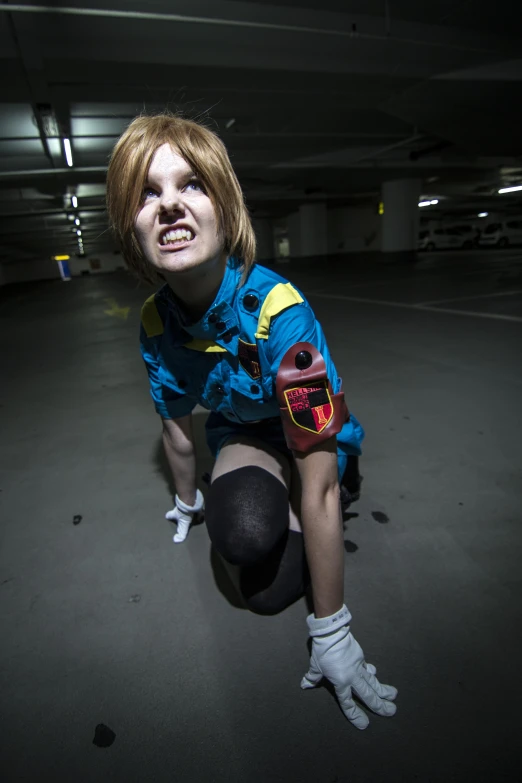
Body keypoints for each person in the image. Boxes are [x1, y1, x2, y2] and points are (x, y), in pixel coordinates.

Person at [106, 113, 397, 730]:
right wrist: (187, 502)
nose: (170, 207)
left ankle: (353, 456)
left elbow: (314, 482)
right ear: (131, 226)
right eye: (147, 194)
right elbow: (177, 428)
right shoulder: (156, 324)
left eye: (191, 185)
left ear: (225, 202)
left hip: (312, 442)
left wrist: (332, 631)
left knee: (325, 481)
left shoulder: (281, 312)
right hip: (247, 433)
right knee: (254, 572)